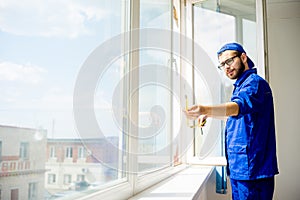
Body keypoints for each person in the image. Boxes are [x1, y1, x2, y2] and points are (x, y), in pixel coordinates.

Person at [184, 43, 279, 200]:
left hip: (252, 172)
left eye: (229, 61)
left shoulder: (254, 83)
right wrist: (209, 115)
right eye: (222, 65)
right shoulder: (241, 86)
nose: (226, 67)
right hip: (241, 169)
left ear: (243, 57)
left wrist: (205, 109)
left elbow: (237, 107)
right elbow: (240, 117)